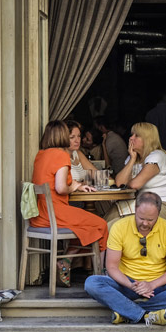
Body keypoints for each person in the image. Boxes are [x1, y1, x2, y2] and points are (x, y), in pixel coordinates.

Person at [85, 191, 166, 326]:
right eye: (141, 218)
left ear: (158, 214)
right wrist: (131, 285)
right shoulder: (119, 226)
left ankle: (126, 311)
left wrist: (151, 285)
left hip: (157, 286)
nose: (145, 223)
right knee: (92, 283)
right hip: (126, 284)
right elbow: (111, 266)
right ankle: (146, 315)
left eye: (150, 220)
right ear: (135, 210)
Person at [31, 120, 108, 287]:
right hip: (56, 212)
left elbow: (57, 182)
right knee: (101, 225)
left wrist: (77, 186)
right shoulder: (61, 155)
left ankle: (65, 261)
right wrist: (72, 187)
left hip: (41, 213)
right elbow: (60, 188)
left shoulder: (41, 155)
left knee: (85, 228)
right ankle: (101, 276)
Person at [107, 122, 166, 225]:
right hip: (143, 204)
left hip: (165, 206)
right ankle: (100, 239)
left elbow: (135, 184)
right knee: (113, 213)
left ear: (147, 139)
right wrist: (132, 159)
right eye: (131, 135)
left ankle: (103, 239)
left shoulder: (157, 156)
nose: (131, 138)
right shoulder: (133, 158)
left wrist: (129, 180)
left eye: (136, 136)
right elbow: (120, 183)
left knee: (116, 224)